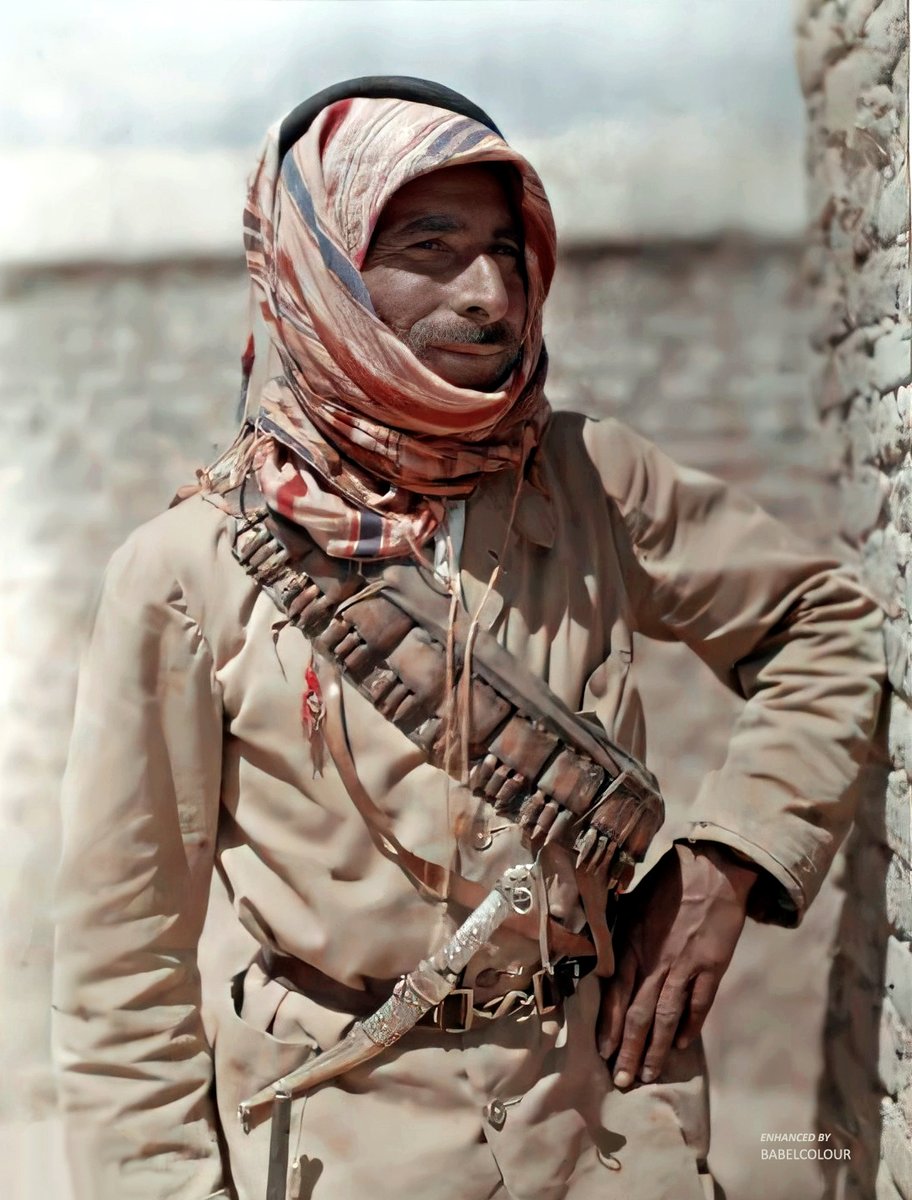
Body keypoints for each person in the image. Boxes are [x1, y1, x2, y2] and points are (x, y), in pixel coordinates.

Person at [52, 78, 884, 1200]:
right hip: (342, 1148)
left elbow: (823, 625)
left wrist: (726, 861)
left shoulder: (592, 480)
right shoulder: (187, 573)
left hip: (607, 1132)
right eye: (431, 246)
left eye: (507, 248)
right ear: (324, 268)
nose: (491, 294)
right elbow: (123, 982)